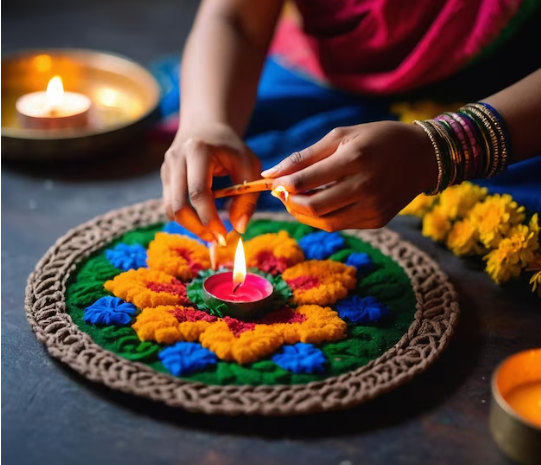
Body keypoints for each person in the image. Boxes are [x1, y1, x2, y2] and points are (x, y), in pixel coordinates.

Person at [160, 0, 541, 243]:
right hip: (327, 80)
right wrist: (206, 122)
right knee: (214, 168)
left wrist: (442, 146)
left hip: (508, 103)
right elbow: (235, 19)